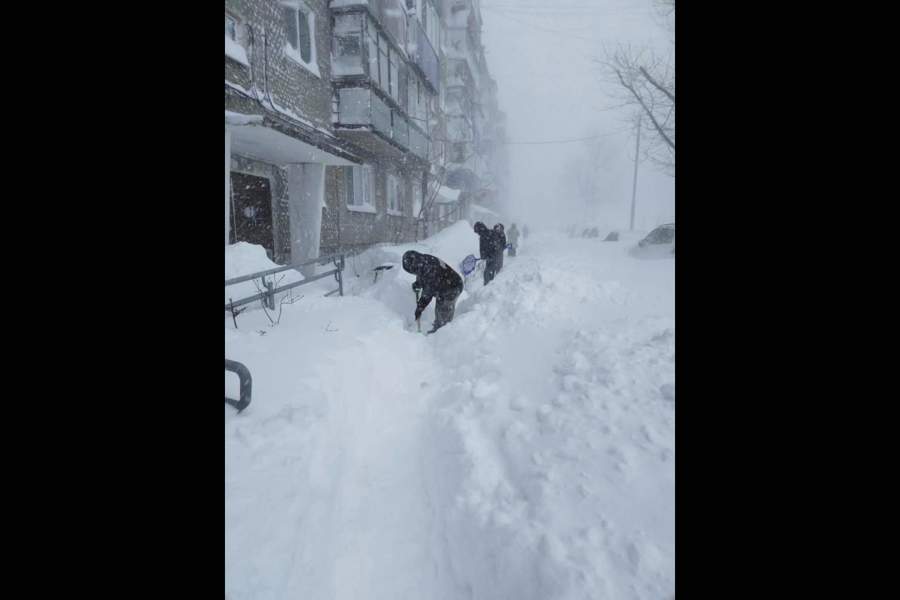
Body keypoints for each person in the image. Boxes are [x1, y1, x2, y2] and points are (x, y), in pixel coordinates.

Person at [402, 250, 463, 334]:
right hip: (444, 283)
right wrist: (418, 283)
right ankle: (438, 327)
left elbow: (428, 292)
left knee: (443, 308)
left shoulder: (429, 267)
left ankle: (442, 333)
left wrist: (420, 307)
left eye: (413, 271)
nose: (413, 273)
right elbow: (423, 275)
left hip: (453, 287)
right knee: (440, 305)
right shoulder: (423, 261)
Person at [474, 221, 499, 286]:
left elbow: (496, 246)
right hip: (488, 258)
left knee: (488, 273)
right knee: (487, 274)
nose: (478, 233)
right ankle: (486, 289)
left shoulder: (491, 234)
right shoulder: (482, 237)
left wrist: (491, 255)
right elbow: (482, 248)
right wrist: (483, 256)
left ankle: (489, 289)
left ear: (481, 229)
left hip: (494, 258)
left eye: (478, 231)